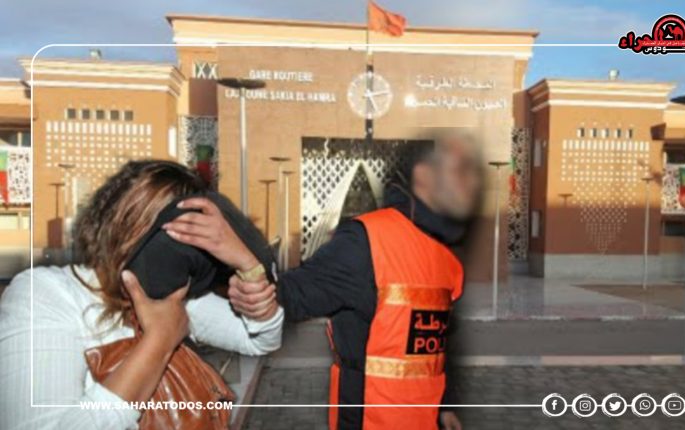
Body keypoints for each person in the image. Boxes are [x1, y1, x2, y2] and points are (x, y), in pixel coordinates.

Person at [165, 133, 481, 430]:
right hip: (370, 416)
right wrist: (245, 269)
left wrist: (446, 405)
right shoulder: (368, 242)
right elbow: (291, 295)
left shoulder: (445, 261)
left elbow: (440, 341)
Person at [0, 160, 283, 430]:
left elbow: (260, 340)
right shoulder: (49, 294)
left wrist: (249, 267)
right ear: (117, 223)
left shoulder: (173, 297)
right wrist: (159, 342)